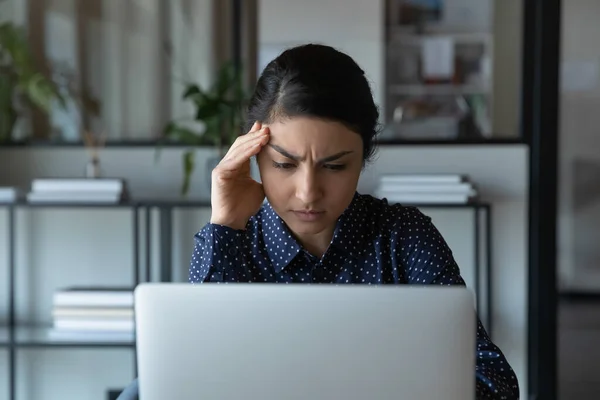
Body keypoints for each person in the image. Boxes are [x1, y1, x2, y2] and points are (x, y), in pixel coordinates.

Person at [118, 43, 519, 400]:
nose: (308, 192)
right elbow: (195, 375)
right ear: (254, 156)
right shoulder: (236, 238)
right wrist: (224, 224)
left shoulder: (403, 237)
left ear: (363, 158)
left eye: (335, 166)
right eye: (283, 164)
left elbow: (494, 383)